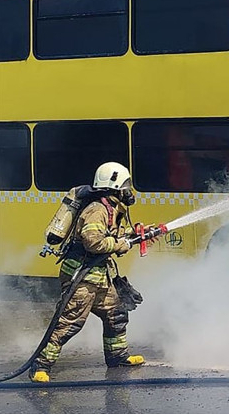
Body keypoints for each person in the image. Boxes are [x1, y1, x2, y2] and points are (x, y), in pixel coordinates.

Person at [29, 162, 146, 383]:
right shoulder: (97, 210)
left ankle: (117, 357)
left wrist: (141, 232)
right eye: (126, 185)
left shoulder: (111, 208)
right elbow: (94, 242)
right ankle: (40, 366)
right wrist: (122, 245)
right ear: (114, 187)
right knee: (69, 322)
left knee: (116, 313)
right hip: (82, 277)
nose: (129, 190)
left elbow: (114, 233)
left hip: (99, 276)